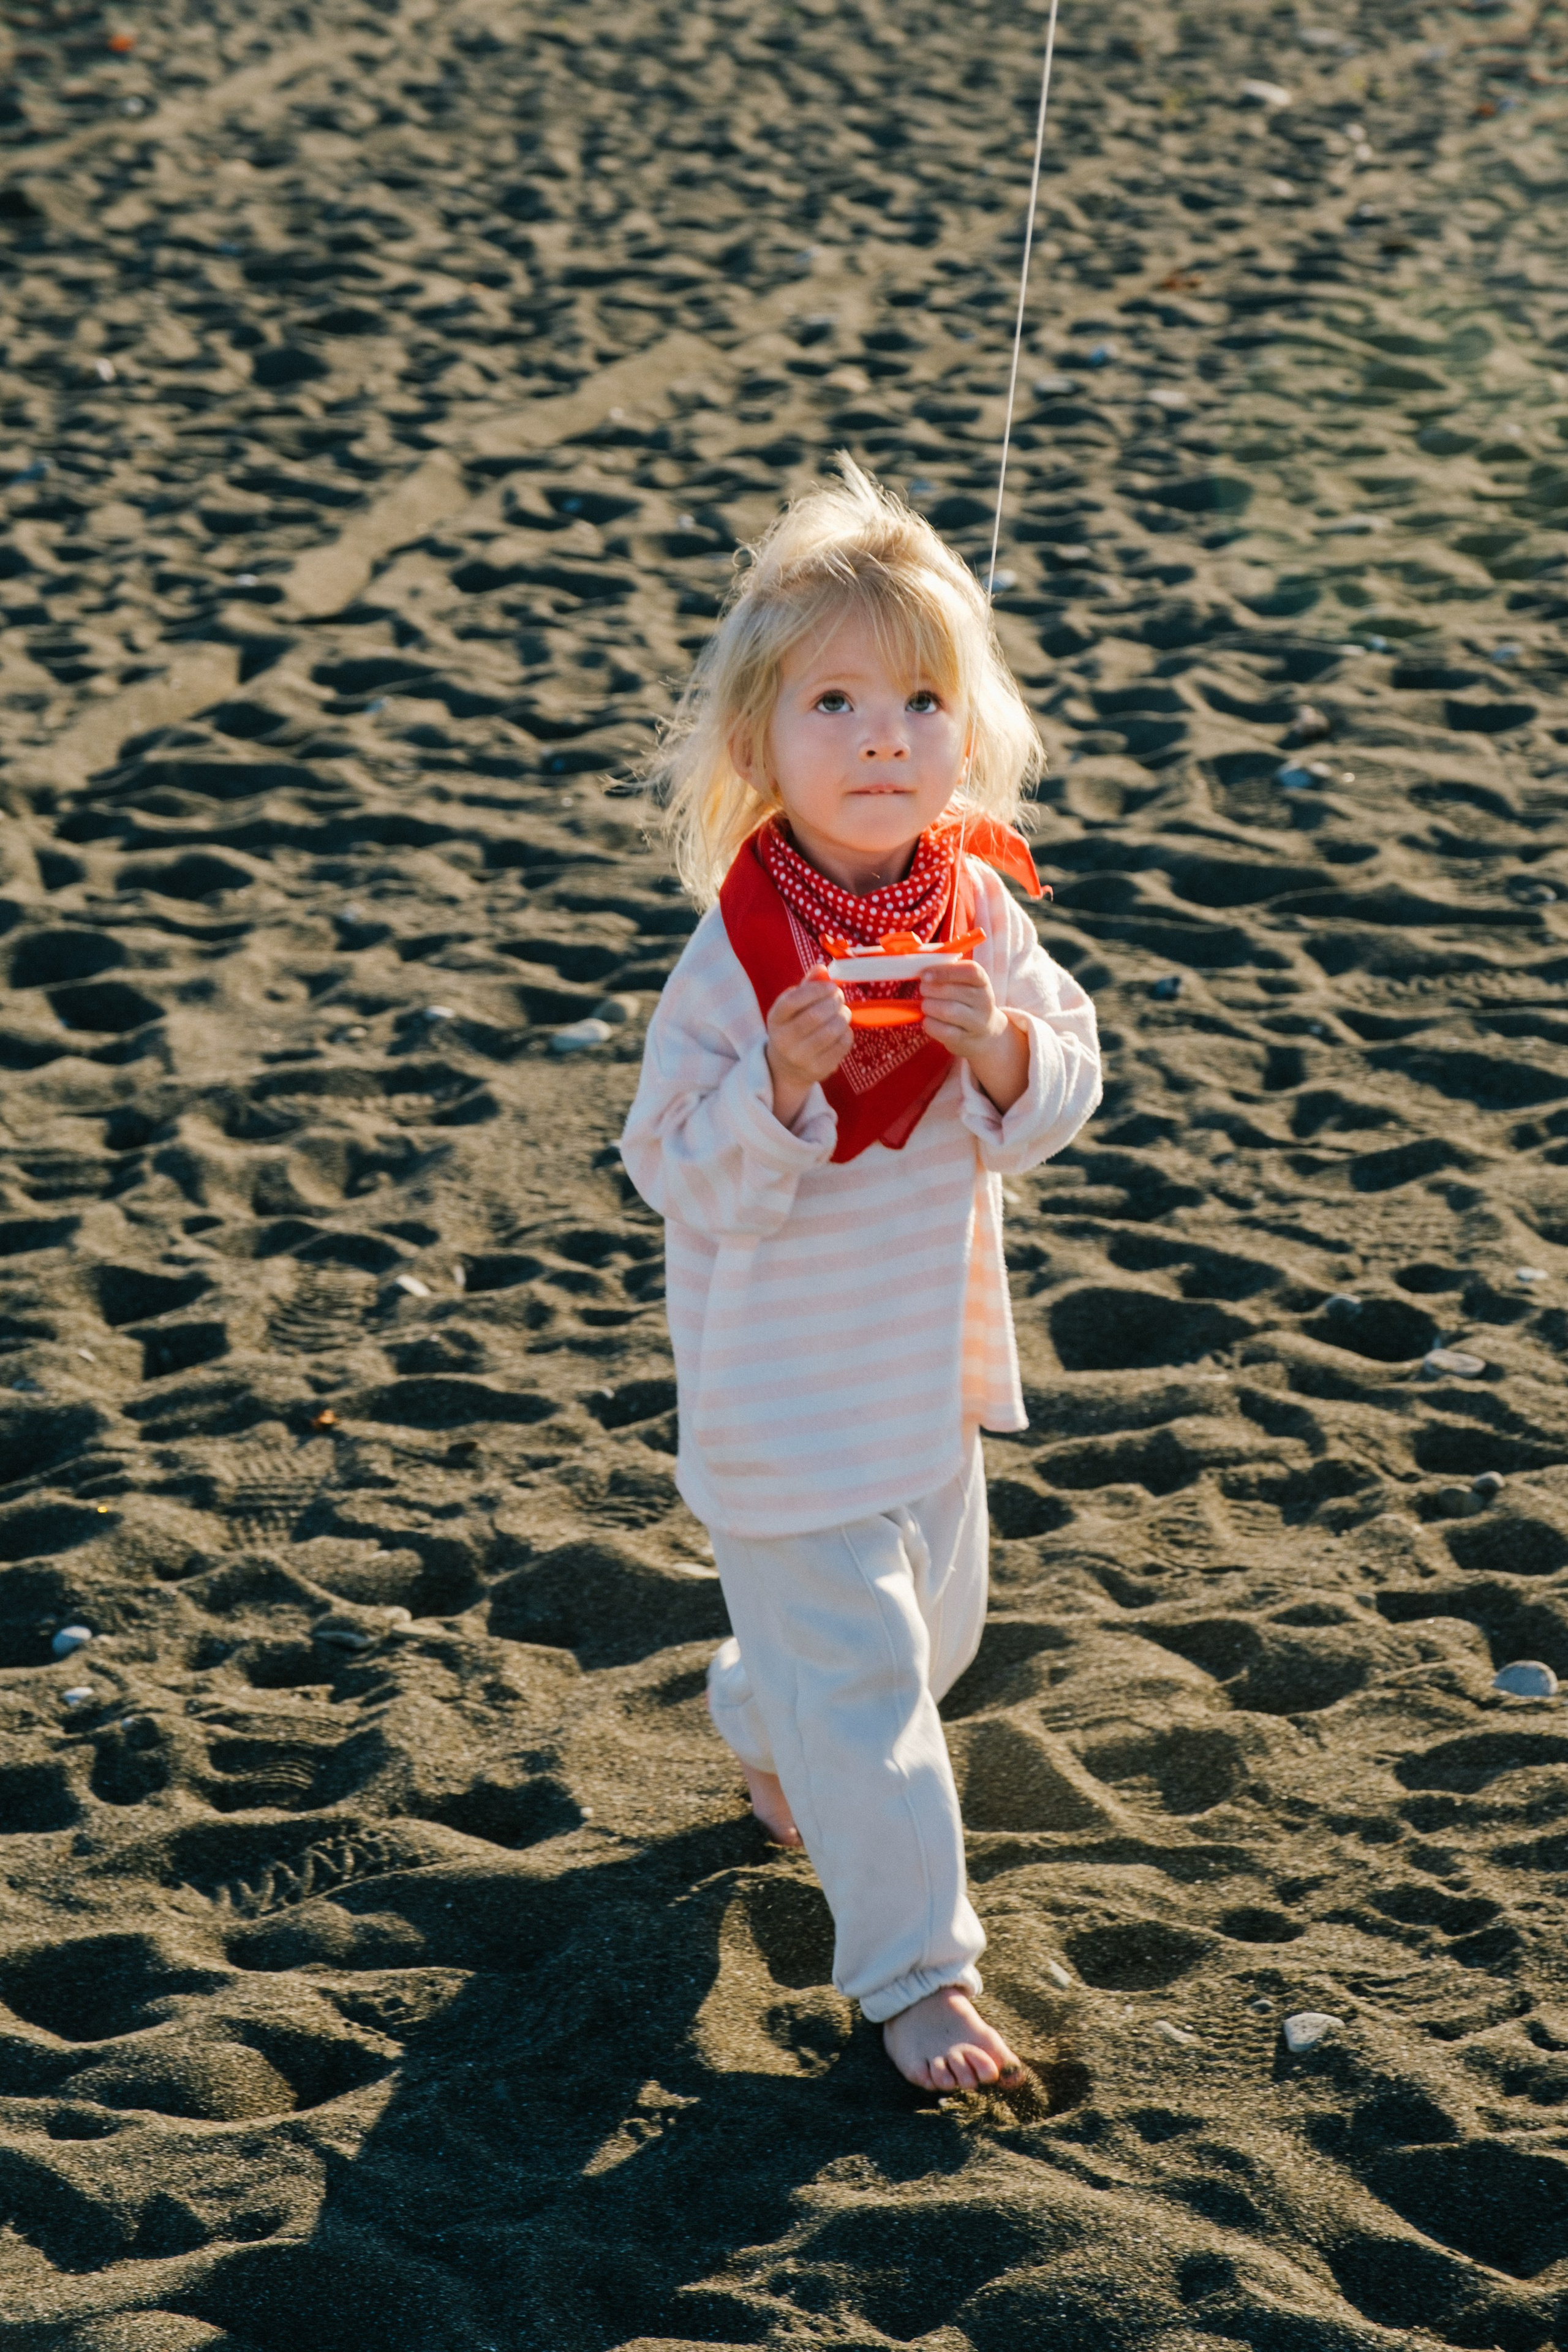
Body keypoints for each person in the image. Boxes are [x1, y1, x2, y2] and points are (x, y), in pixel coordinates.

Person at [619, 459, 1102, 2093]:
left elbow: (1063, 1092)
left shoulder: (975, 908)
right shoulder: (740, 953)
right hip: (781, 1409)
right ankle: (916, 1979)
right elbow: (668, 1166)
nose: (883, 733)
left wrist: (1005, 1049)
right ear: (759, 745)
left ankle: (762, 1725)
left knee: (931, 1649)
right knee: (879, 1693)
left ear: (968, 731)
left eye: (917, 697)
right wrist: (773, 1086)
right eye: (833, 701)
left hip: (923, 1382)